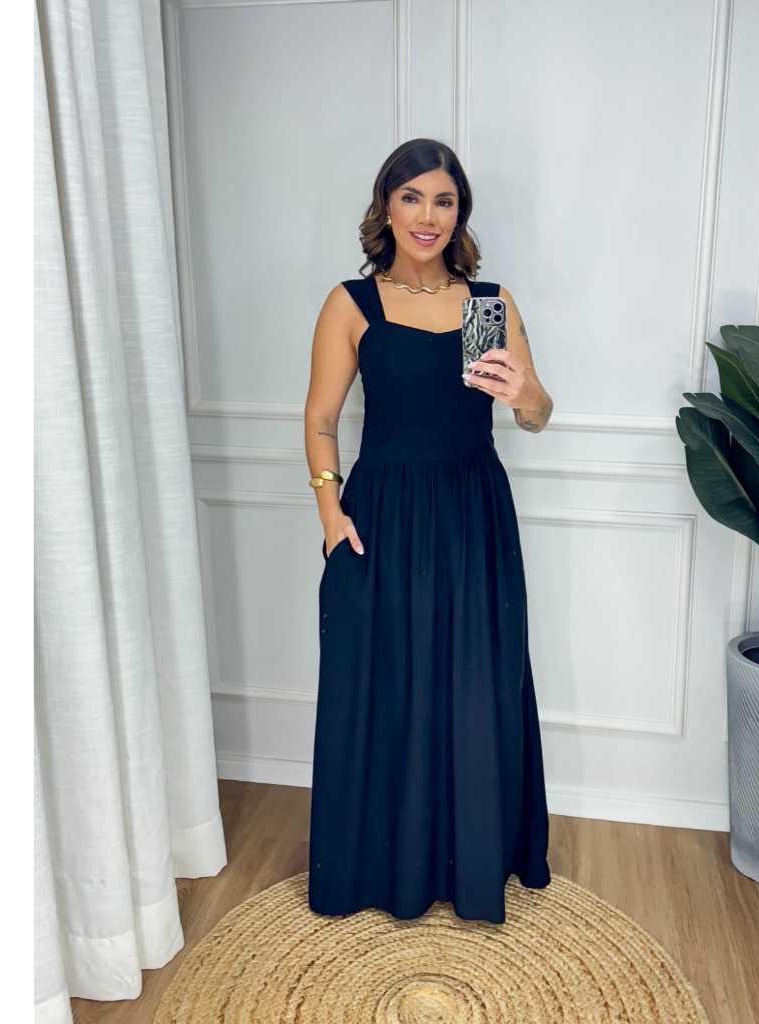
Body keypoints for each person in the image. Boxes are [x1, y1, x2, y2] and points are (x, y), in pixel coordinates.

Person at [304, 138, 554, 925]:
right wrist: (330, 514)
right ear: (386, 206)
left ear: (459, 214)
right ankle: (383, 863)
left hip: (471, 514)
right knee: (385, 683)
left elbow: (533, 414)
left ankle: (469, 859)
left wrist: (526, 395)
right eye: (412, 197)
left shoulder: (485, 306)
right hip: (381, 515)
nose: (427, 215)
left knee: (474, 683)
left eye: (443, 200)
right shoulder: (354, 303)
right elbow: (320, 419)